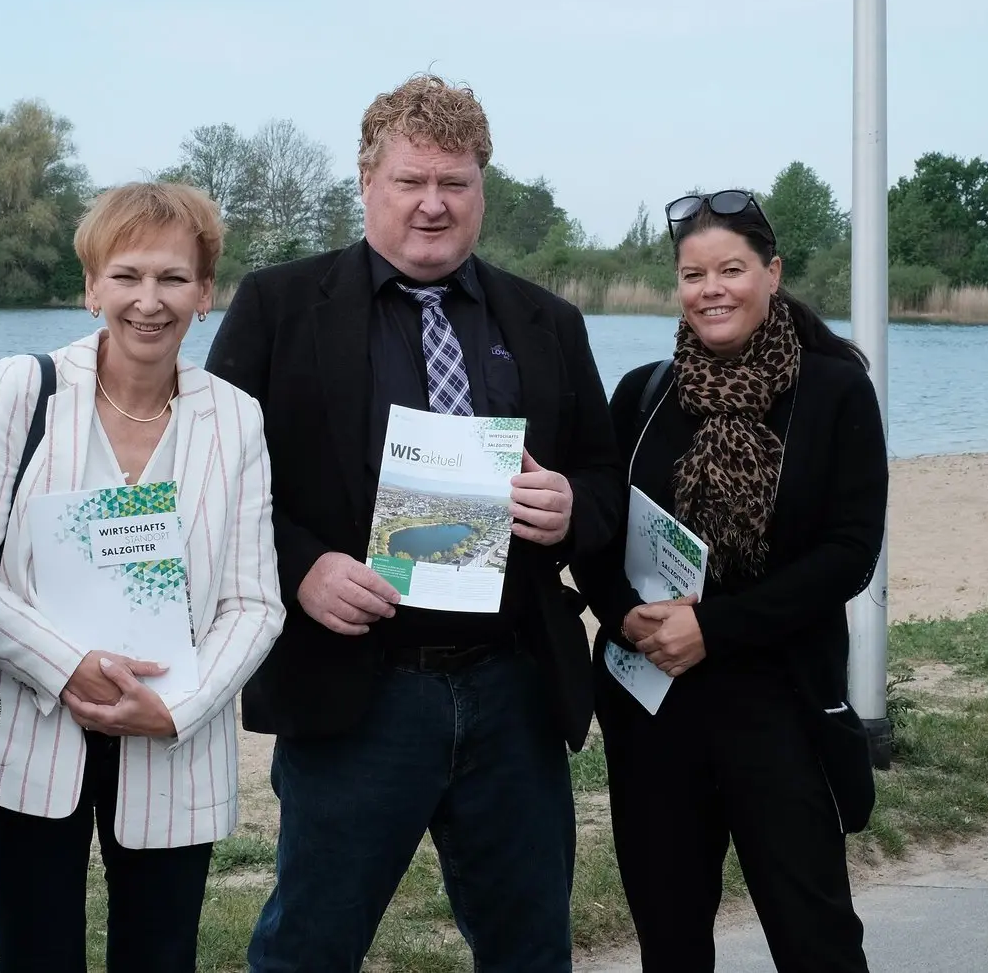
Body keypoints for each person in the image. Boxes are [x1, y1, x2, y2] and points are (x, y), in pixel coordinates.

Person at [207, 74, 625, 973]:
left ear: (482, 189)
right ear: (367, 182)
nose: (433, 203)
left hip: (511, 685)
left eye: (455, 182)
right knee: (309, 950)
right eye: (411, 180)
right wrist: (302, 567)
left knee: (531, 952)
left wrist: (569, 506)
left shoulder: (548, 321)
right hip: (359, 690)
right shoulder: (279, 307)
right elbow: (215, 487)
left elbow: (603, 481)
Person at [0, 181, 284, 973]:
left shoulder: (236, 417)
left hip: (173, 740)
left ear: (205, 293)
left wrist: (174, 708)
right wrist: (68, 665)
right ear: (91, 286)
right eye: (127, 275)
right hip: (34, 729)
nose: (149, 300)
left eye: (173, 277)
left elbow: (255, 602)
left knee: (160, 958)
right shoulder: (26, 387)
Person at [572, 190, 887, 973]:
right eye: (693, 274)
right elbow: (597, 529)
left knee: (816, 942)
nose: (711, 288)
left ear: (771, 274)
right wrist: (624, 615)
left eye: (731, 270)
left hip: (781, 705)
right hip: (654, 710)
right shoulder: (643, 393)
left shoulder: (834, 389)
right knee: (670, 944)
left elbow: (850, 553)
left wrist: (713, 629)